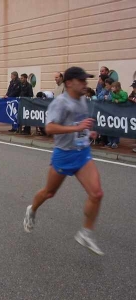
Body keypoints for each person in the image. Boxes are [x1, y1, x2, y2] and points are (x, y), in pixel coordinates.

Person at [23, 66, 105, 255]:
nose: (86, 84)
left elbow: (79, 125)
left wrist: (87, 131)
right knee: (49, 192)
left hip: (82, 152)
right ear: (69, 83)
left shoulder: (83, 100)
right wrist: (77, 129)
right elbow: (50, 128)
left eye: (86, 80)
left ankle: (86, 233)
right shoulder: (60, 103)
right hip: (64, 154)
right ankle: (32, 209)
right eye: (82, 80)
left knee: (97, 193)